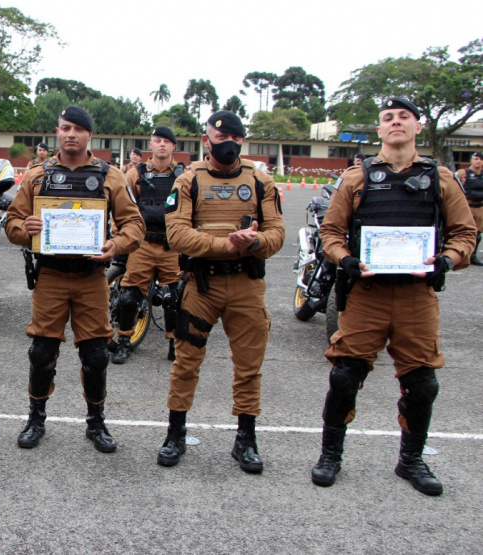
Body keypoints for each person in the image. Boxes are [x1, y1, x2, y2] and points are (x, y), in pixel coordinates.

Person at [311, 97, 476, 496]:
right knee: (344, 376)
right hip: (368, 293)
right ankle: (330, 454)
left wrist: (446, 262)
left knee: (422, 384)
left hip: (416, 296)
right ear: (380, 130)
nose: (396, 123)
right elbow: (330, 233)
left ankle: (411, 460)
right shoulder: (357, 178)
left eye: (404, 117)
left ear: (417, 127)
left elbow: (465, 235)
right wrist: (345, 259)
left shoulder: (441, 179)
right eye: (388, 119)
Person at [5, 105, 145, 453]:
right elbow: (11, 224)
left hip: (91, 277)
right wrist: (27, 229)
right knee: (41, 353)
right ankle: (36, 418)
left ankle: (96, 423)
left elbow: (135, 225)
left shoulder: (110, 176)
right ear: (58, 131)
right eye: (65, 127)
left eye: (78, 129)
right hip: (50, 275)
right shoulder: (38, 176)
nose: (71, 134)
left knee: (96, 355)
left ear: (89, 136)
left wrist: (116, 244)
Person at [160, 110, 285, 472]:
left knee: (248, 366)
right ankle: (176, 433)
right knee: (186, 362)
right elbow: (177, 234)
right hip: (202, 285)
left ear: (241, 141)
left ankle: (246, 438)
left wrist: (256, 240)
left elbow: (277, 233)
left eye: (235, 138)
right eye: (221, 137)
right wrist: (224, 246)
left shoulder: (260, 180)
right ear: (206, 140)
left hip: (247, 285)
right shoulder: (188, 181)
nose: (228, 143)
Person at [112, 126, 184, 364]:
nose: (162, 144)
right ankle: (124, 342)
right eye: (157, 140)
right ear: (150, 145)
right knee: (128, 297)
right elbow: (122, 209)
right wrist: (119, 239)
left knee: (175, 298)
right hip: (142, 244)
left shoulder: (184, 176)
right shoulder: (135, 174)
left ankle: (175, 344)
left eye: (166, 141)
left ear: (174, 146)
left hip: (172, 245)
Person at [455, 151, 483, 266]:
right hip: (466, 207)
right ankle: (458, 255)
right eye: (476, 158)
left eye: (481, 159)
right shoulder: (463, 173)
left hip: (480, 208)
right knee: (461, 232)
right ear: (471, 160)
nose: (478, 161)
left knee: (478, 234)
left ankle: (473, 256)